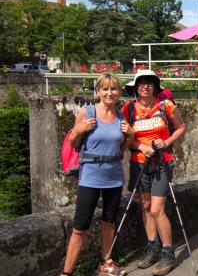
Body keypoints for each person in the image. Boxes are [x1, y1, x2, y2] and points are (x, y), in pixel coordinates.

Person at [60, 73, 133, 276]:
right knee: (80, 227)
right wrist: (79, 130)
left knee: (109, 222)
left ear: (119, 92)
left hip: (114, 176)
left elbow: (120, 151)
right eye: (105, 89)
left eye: (114, 89)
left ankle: (105, 262)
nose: (110, 93)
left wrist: (131, 136)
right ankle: (66, 272)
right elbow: (73, 144)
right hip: (90, 176)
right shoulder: (87, 112)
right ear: (98, 91)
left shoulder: (120, 116)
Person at [121, 70, 186, 276]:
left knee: (157, 209)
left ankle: (168, 252)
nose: (145, 86)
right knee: (146, 207)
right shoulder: (129, 109)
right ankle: (152, 247)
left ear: (155, 86)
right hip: (139, 163)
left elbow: (181, 127)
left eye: (149, 83)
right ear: (135, 88)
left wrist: (165, 142)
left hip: (162, 162)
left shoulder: (165, 106)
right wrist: (140, 146)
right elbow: (124, 135)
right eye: (141, 83)